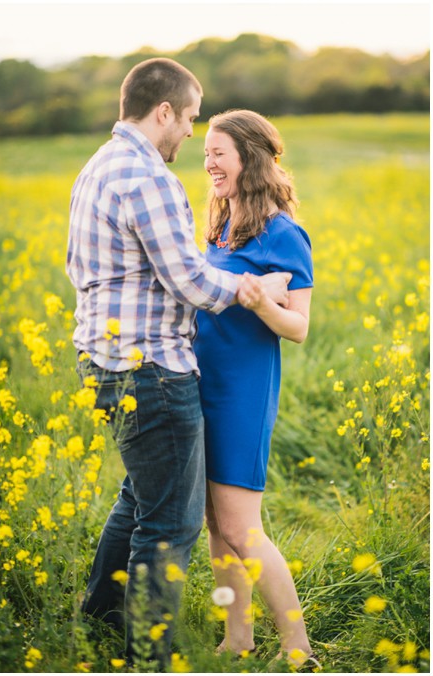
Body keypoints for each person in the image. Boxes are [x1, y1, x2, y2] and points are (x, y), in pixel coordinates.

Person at [65, 57, 291, 667]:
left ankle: (101, 617)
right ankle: (150, 654)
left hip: (106, 360)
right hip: (152, 368)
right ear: (163, 111)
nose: (191, 134)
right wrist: (252, 292)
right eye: (189, 118)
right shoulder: (147, 176)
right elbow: (189, 279)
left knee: (140, 499)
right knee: (170, 524)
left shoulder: (98, 165)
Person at [197, 109, 315, 668]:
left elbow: (299, 327)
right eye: (205, 154)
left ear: (251, 156)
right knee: (216, 530)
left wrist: (264, 302)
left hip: (241, 391)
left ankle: (298, 644)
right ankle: (236, 637)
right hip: (200, 382)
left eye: (219, 152)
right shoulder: (220, 223)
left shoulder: (284, 233)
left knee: (243, 529)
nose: (209, 163)